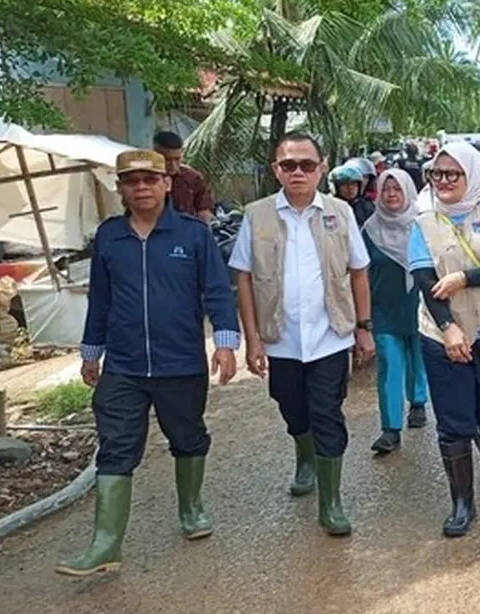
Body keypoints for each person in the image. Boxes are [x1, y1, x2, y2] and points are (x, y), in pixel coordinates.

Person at [58, 150, 239, 577]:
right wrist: (91, 352)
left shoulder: (193, 235)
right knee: (117, 447)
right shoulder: (109, 237)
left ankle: (191, 509)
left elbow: (217, 290)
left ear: (166, 184)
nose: (141, 187)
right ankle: (105, 544)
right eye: (131, 180)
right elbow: (99, 299)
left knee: (188, 436)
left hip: (180, 362)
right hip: (123, 365)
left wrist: (226, 344)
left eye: (149, 179)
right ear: (120, 188)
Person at [229, 132, 375, 537]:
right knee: (292, 407)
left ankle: (331, 503)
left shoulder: (340, 212)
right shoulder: (256, 215)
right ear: (276, 169)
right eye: (288, 165)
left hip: (331, 334)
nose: (297, 172)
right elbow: (242, 278)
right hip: (281, 339)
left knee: (327, 412)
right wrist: (253, 338)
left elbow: (359, 271)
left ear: (321, 167)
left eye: (306, 165)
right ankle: (304, 456)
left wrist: (364, 328)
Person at [409, 141, 480, 537]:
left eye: (451, 174)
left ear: (472, 175)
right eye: (436, 174)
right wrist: (448, 329)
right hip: (441, 334)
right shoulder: (422, 223)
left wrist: (465, 278)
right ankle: (463, 502)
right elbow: (425, 280)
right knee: (453, 420)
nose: (442, 181)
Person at [363, 169, 430, 454]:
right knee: (389, 365)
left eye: (397, 189)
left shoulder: (424, 225)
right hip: (383, 309)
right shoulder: (369, 230)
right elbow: (359, 274)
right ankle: (390, 429)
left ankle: (418, 401)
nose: (391, 194)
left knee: (418, 355)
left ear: (408, 191)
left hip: (419, 304)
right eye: (385, 189)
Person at [153, 131, 213, 223]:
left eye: (177, 159)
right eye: (167, 160)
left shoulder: (193, 178)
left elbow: (204, 211)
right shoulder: (144, 179)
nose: (173, 165)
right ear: (155, 154)